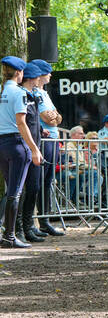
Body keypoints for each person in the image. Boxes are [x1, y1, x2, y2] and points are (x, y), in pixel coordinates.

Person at [0, 56, 43, 248]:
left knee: (11, 190)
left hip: (1, 145)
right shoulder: (19, 93)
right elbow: (21, 123)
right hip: (16, 144)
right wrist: (34, 149)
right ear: (19, 73)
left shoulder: (1, 91)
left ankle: (7, 233)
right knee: (15, 192)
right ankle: (9, 236)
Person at [30, 59, 64, 236]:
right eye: (48, 72)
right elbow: (46, 117)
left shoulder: (45, 93)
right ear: (42, 74)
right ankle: (36, 221)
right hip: (45, 141)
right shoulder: (35, 92)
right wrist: (53, 117)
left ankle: (45, 220)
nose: (50, 74)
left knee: (48, 181)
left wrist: (55, 117)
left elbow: (58, 118)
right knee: (40, 181)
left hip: (53, 140)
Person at [18, 63, 46, 243]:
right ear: (31, 78)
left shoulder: (33, 96)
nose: (39, 79)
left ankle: (28, 226)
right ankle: (18, 227)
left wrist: (41, 130)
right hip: (27, 148)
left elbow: (32, 121)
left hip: (35, 146)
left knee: (34, 187)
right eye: (37, 77)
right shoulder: (21, 95)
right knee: (20, 190)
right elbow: (21, 122)